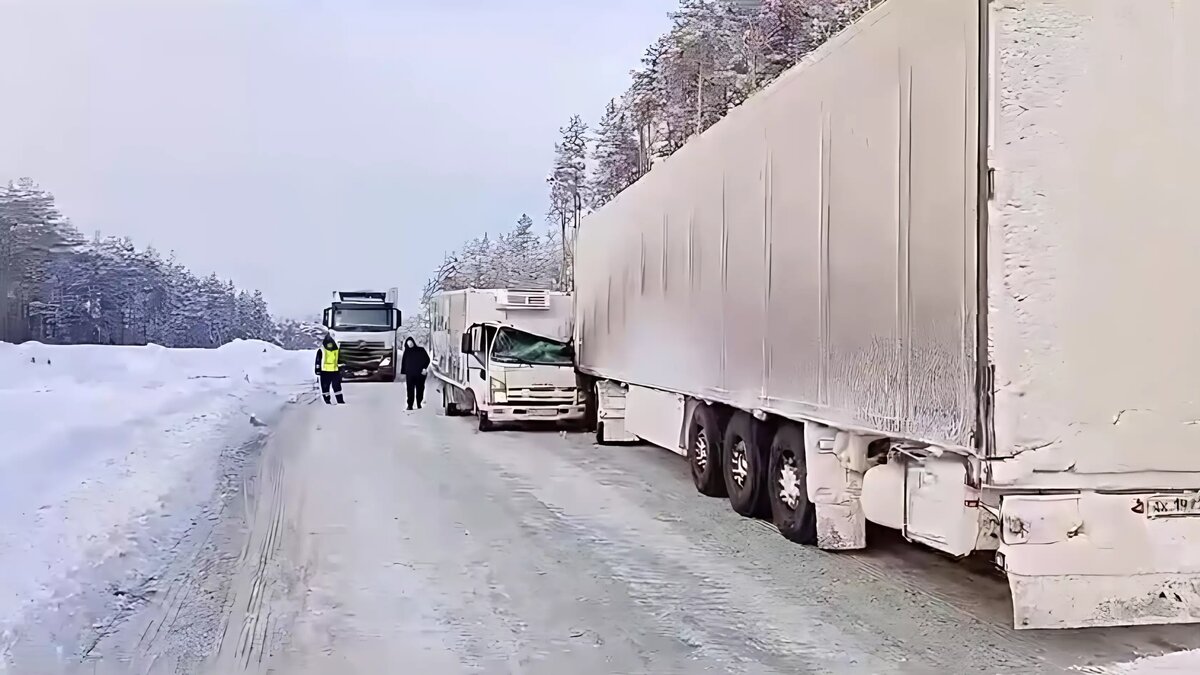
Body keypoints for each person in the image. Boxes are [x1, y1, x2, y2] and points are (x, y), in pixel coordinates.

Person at [400, 336, 431, 410]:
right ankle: (410, 405)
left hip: (419, 374)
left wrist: (424, 368)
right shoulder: (407, 352)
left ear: (413, 342)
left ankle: (419, 403)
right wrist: (404, 372)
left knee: (420, 389)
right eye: (408, 343)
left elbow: (427, 359)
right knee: (410, 390)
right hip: (410, 375)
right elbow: (404, 362)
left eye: (411, 342)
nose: (410, 344)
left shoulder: (420, 350)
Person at [314, 335, 346, 405]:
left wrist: (317, 369)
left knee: (325, 388)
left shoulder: (322, 349)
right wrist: (342, 368)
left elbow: (318, 360)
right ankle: (340, 401)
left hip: (324, 371)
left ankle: (327, 402)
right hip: (335, 371)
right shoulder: (336, 349)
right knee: (337, 387)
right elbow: (340, 360)